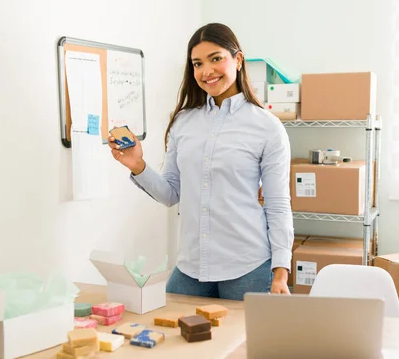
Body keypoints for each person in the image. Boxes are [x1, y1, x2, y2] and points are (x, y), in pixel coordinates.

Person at [108, 22, 294, 301]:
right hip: (190, 266)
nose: (206, 71)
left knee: (243, 345)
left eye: (216, 58)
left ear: (238, 60)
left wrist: (280, 271)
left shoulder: (267, 127)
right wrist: (138, 165)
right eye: (197, 63)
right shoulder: (183, 122)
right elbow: (171, 194)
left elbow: (278, 203)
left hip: (248, 266)